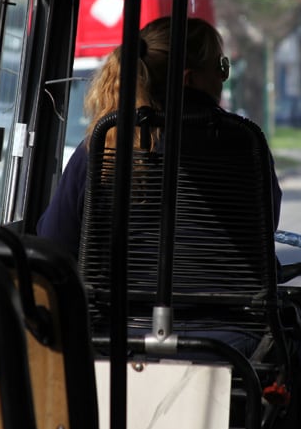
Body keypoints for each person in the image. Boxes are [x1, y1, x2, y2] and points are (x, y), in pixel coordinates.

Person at [37, 16, 282, 257]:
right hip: (228, 298)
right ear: (189, 79)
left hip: (120, 298)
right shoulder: (245, 142)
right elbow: (265, 227)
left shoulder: (105, 144)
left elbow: (55, 238)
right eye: (221, 66)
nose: (224, 76)